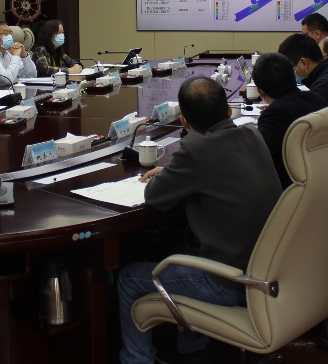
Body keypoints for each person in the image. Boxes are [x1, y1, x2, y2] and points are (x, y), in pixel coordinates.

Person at [117, 77, 282, 364]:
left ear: (183, 120)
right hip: (270, 271)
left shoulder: (195, 150)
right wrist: (176, 172)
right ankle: (192, 346)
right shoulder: (252, 134)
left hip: (229, 283)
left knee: (129, 279)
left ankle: (136, 359)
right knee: (182, 251)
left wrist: (175, 170)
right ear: (228, 111)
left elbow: (154, 196)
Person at [252, 52, 327, 188]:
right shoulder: (316, 99)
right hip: (323, 179)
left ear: (260, 91)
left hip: (290, 189)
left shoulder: (274, 116)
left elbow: (257, 158)